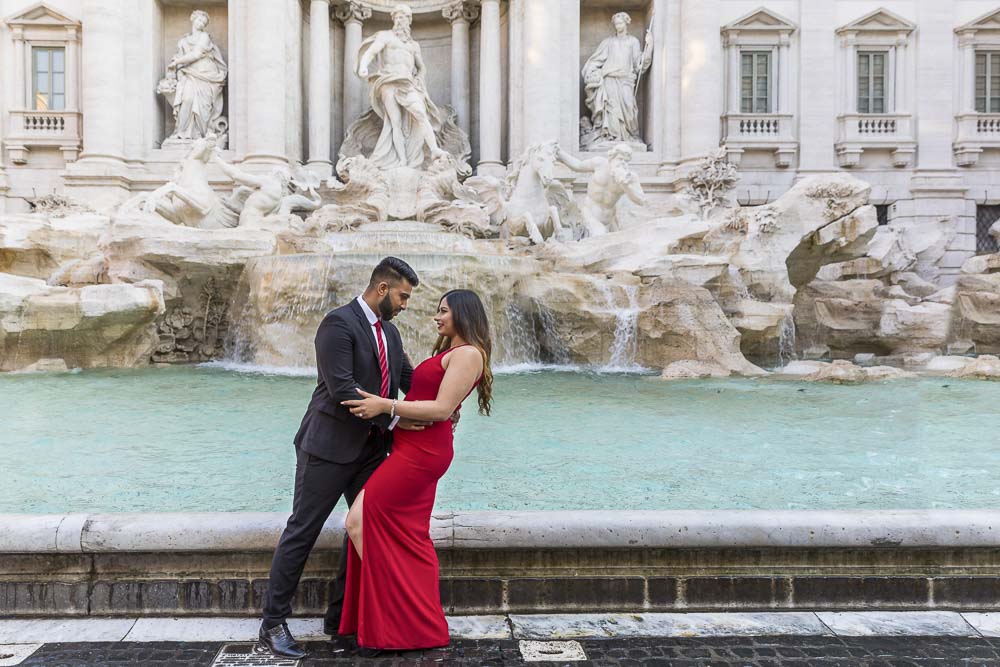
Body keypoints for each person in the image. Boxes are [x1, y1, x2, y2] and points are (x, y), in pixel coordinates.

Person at [258, 257, 426, 659]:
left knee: (365, 529)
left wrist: (444, 397)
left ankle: (340, 621)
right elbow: (342, 389)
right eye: (403, 296)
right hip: (327, 447)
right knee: (303, 530)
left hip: (371, 449)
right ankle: (272, 623)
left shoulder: (391, 332)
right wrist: (398, 412)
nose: (406, 304)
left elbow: (409, 379)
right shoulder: (338, 324)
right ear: (382, 289)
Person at [339, 289, 494, 654]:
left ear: (463, 314)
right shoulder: (450, 351)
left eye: (443, 311)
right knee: (385, 529)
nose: (437, 317)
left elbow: (441, 409)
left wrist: (386, 406)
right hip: (412, 447)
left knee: (365, 524)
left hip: (423, 453)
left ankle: (403, 622)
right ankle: (400, 622)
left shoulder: (469, 353)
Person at [356, 4, 450, 168]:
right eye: (398, 17)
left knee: (421, 113)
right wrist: (363, 65)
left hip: (407, 84)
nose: (401, 20)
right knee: (395, 122)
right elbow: (371, 52)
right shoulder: (385, 36)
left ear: (409, 20)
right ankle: (402, 160)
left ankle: (434, 149)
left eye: (404, 17)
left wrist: (420, 79)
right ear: (393, 19)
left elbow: (421, 67)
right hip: (388, 82)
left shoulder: (414, 45)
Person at [581, 12, 652, 146]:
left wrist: (650, 46)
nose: (618, 26)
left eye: (620, 23)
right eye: (616, 24)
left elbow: (639, 64)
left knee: (629, 107)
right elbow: (595, 61)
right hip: (609, 79)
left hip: (626, 80)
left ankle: (629, 135)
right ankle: (611, 137)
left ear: (626, 23)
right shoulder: (608, 42)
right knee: (611, 109)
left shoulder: (633, 42)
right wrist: (592, 72)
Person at [555, 143, 646, 236]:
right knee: (599, 234)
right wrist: (559, 152)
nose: (623, 163)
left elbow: (641, 200)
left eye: (626, 161)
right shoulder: (599, 163)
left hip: (610, 219)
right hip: (590, 213)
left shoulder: (630, 177)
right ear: (612, 158)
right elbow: (577, 165)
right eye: (620, 159)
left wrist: (626, 185)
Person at [163, 10, 227, 141]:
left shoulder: (205, 37)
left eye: (204, 22)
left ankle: (199, 135)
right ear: (193, 19)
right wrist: (175, 67)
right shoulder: (183, 41)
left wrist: (177, 62)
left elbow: (196, 54)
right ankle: (182, 133)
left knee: (203, 107)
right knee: (187, 99)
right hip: (190, 74)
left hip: (207, 75)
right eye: (199, 20)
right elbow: (180, 57)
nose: (201, 23)